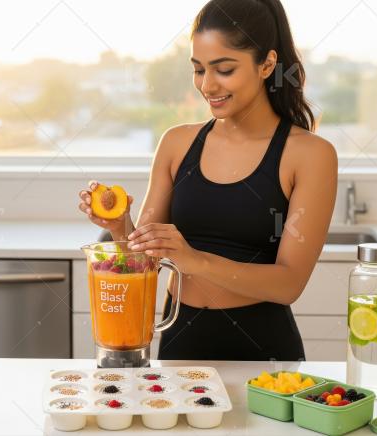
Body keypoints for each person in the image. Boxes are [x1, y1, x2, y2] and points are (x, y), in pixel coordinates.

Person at [78, 0, 337, 361]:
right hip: (180, 343)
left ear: (267, 64)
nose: (208, 85)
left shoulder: (309, 154)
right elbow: (144, 259)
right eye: (199, 70)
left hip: (265, 351)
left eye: (224, 69)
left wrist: (195, 260)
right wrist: (120, 227)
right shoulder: (176, 143)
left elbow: (289, 283)